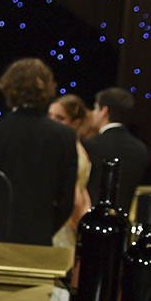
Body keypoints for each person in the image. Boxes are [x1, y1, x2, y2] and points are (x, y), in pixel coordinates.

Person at [0, 58, 77, 245]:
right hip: (40, 241)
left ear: (8, 88)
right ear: (48, 89)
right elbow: (66, 202)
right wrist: (44, 230)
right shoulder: (65, 135)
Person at [83, 86, 149, 213]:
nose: (93, 113)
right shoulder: (141, 149)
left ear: (104, 111)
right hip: (123, 223)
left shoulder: (89, 145)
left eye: (96, 108)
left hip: (91, 221)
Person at [48, 94, 93, 248]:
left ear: (76, 123)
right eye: (50, 116)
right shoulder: (77, 148)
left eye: (60, 118)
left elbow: (75, 198)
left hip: (62, 226)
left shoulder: (71, 152)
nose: (52, 122)